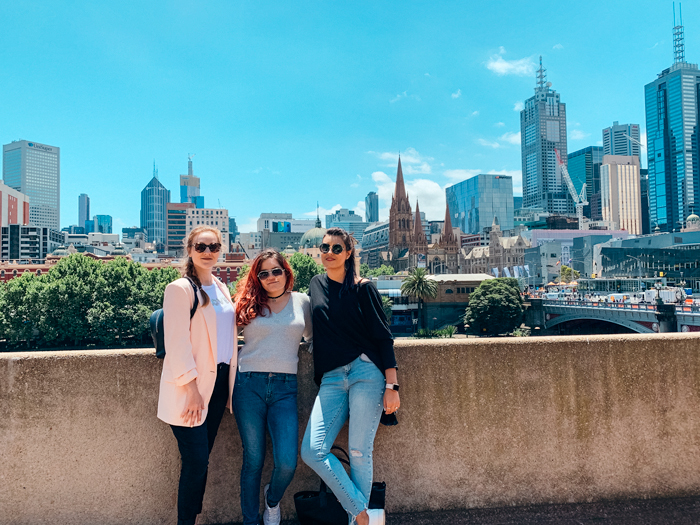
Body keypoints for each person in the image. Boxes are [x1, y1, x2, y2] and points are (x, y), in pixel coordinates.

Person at [301, 228, 399, 525]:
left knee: (358, 450)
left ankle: (357, 521)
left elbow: (383, 337)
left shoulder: (363, 287)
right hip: (332, 377)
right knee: (312, 451)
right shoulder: (315, 284)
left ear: (348, 253)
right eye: (324, 247)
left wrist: (392, 385)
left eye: (335, 248)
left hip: (365, 372)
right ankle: (362, 512)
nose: (328, 252)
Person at [157, 226, 237, 525]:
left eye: (214, 247)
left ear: (220, 250)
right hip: (190, 388)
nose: (208, 252)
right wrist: (191, 390)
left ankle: (192, 517)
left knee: (201, 462)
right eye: (201, 247)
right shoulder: (180, 288)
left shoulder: (220, 286)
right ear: (189, 250)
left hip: (218, 385)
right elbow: (176, 343)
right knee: (195, 463)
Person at [233, 249, 312, 525]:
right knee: (253, 460)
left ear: (286, 272)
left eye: (276, 271)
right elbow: (223, 340)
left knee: (288, 462)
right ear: (257, 277)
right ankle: (250, 521)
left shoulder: (302, 302)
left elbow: (314, 338)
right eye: (263, 273)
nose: (270, 277)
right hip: (248, 385)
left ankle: (272, 499)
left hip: (285, 387)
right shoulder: (248, 302)